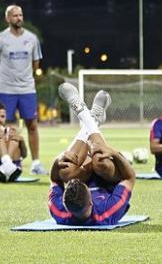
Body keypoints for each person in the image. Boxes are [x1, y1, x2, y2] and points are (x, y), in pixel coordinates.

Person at [48, 83, 135, 226]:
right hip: (108, 176)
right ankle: (91, 118)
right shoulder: (107, 212)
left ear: (64, 201)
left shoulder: (59, 212)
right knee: (100, 161)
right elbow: (130, 178)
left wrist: (57, 160)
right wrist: (114, 153)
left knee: (65, 169)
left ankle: (90, 118)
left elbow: (54, 180)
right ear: (91, 202)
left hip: (83, 167)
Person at [0, 4, 45, 175]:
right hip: (6, 89)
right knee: (4, 126)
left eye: (20, 15)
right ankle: (8, 162)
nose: (18, 18)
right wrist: (9, 79)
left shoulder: (32, 39)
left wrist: (24, 78)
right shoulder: (0, 40)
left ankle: (36, 163)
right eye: (14, 15)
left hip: (27, 89)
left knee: (32, 125)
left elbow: (36, 63)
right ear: (7, 18)